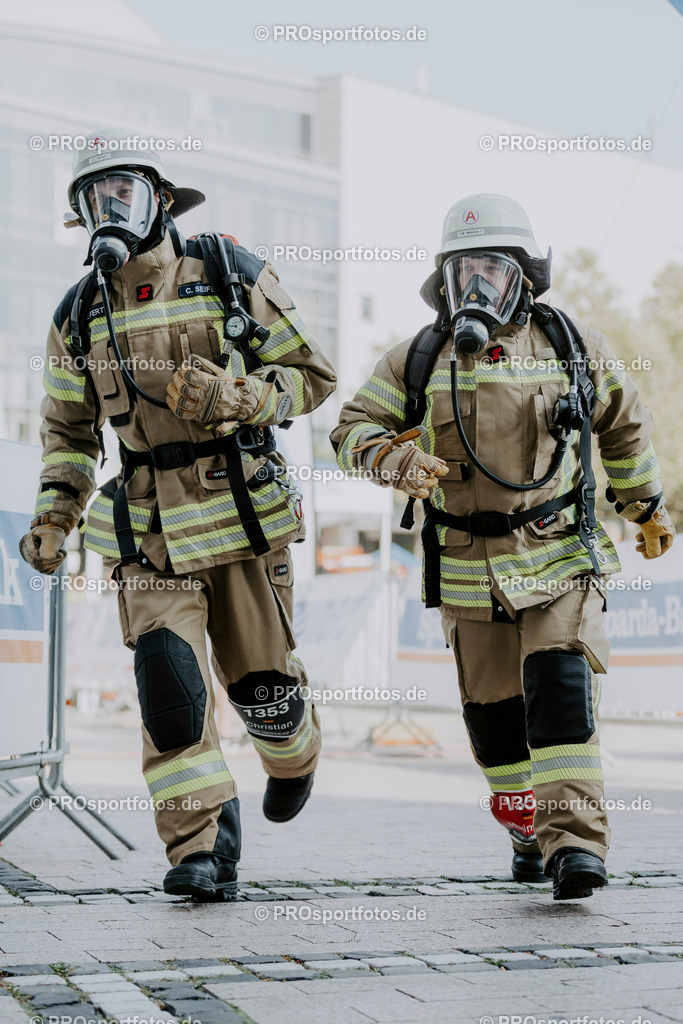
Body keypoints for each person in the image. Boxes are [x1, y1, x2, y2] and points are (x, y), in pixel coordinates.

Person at [20, 129, 337, 901]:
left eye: (123, 191)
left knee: (264, 688)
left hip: (241, 516)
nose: (111, 209)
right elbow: (67, 435)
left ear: (161, 198)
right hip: (147, 529)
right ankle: (197, 845)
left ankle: (293, 754)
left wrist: (243, 398)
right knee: (170, 693)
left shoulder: (229, 272)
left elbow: (313, 376)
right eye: (95, 199)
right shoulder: (77, 316)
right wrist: (56, 517)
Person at [330, 194, 674, 900]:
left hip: (557, 554)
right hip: (465, 566)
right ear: (443, 282)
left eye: (490, 268)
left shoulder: (570, 345)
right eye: (462, 272)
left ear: (522, 274)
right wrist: (390, 460)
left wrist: (641, 505)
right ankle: (525, 828)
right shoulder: (417, 358)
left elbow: (625, 425)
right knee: (494, 730)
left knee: (560, 692)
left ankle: (574, 844)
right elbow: (349, 430)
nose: (475, 286)